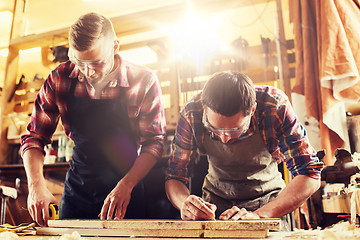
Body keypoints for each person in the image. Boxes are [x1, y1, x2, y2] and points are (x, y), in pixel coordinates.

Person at [20, 12, 166, 226]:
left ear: (115, 47)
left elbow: (154, 143)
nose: (88, 71)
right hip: (77, 191)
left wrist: (127, 185)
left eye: (96, 62)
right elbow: (34, 137)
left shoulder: (143, 81)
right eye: (79, 62)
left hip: (126, 191)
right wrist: (36, 186)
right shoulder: (59, 79)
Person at [165, 71, 323, 230]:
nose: (224, 139)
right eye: (214, 129)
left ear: (252, 110)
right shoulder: (192, 112)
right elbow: (175, 176)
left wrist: (259, 215)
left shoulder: (274, 106)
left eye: (235, 130)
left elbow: (310, 174)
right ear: (205, 109)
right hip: (215, 209)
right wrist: (185, 204)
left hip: (270, 207)